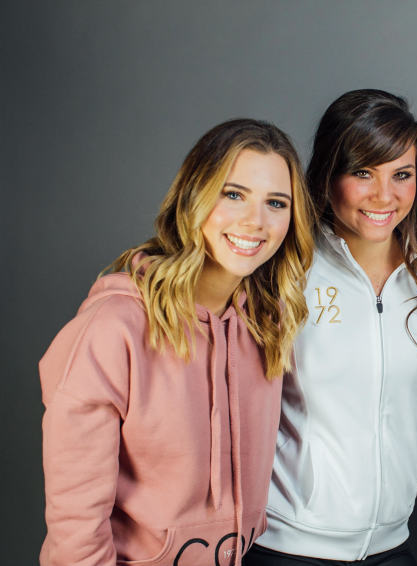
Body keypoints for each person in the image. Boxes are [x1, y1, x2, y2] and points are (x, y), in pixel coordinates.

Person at [39, 119, 315, 566]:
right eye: (233, 194)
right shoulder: (114, 327)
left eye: (276, 203)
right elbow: (76, 529)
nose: (256, 221)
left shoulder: (268, 322)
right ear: (193, 196)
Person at [246, 90, 417, 566]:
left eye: (402, 175)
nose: (384, 195)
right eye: (363, 173)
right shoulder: (285, 267)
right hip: (289, 545)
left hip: (392, 545)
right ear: (329, 175)